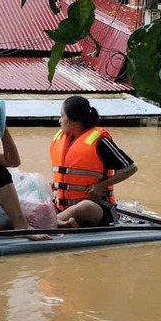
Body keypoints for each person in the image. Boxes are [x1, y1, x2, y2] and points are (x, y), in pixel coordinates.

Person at [50, 96, 137, 228]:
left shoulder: (100, 142)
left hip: (98, 209)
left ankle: (49, 222)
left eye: (62, 116)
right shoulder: (63, 139)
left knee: (85, 206)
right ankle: (59, 221)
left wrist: (101, 185)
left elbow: (130, 168)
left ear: (74, 122)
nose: (59, 120)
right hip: (63, 206)